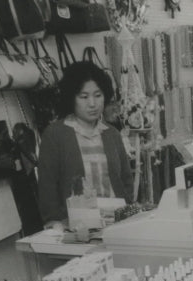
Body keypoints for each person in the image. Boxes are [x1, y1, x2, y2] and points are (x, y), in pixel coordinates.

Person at [37, 61, 133, 225]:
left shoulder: (112, 133)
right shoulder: (55, 134)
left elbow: (125, 179)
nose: (92, 104)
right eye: (84, 96)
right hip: (75, 226)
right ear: (71, 98)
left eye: (98, 95)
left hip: (116, 222)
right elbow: (47, 186)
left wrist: (127, 211)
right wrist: (54, 221)